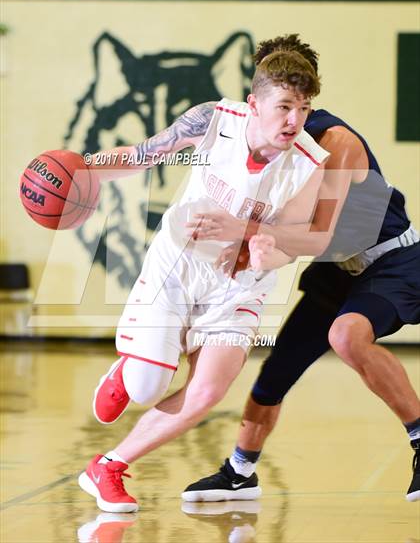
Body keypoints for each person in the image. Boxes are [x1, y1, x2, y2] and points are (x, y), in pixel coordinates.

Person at [78, 49, 330, 512]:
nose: (295, 120)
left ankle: (108, 467)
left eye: (304, 109)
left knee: (209, 392)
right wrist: (83, 164)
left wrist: (265, 249)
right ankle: (130, 371)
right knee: (147, 388)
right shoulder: (214, 120)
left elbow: (298, 239)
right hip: (177, 268)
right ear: (255, 105)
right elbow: (141, 155)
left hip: (239, 288)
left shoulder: (311, 165)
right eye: (285, 106)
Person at [181, 35, 420, 504]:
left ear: (308, 93)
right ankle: (239, 472)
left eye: (299, 102)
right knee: (277, 370)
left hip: (396, 259)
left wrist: (245, 229)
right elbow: (282, 233)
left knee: (346, 336)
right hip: (338, 269)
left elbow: (318, 232)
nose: (290, 114)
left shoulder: (336, 141)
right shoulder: (263, 144)